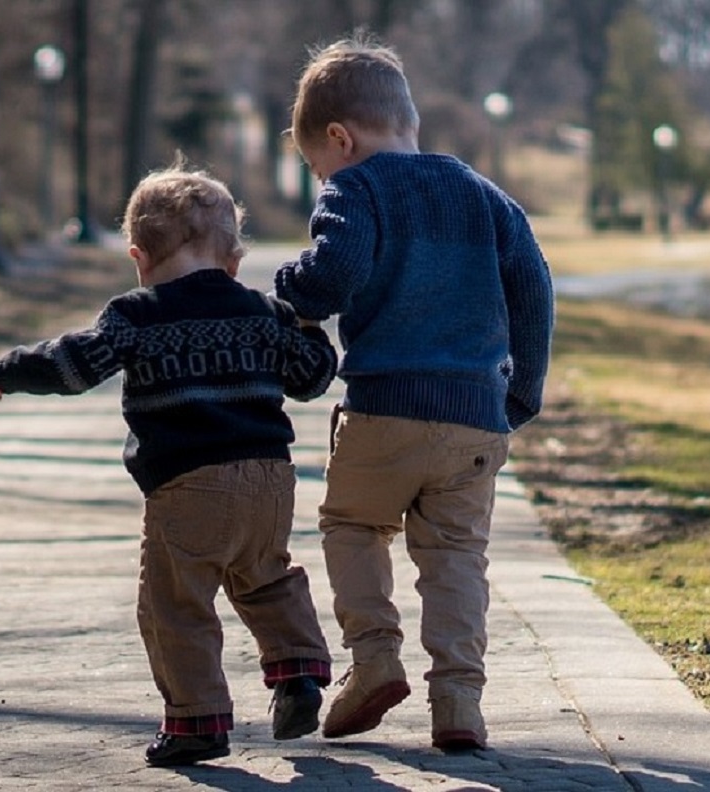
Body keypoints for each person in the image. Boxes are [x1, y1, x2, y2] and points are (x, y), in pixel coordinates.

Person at [0, 164, 337, 767]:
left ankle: (197, 720)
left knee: (175, 604)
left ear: (138, 256)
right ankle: (298, 673)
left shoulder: (136, 315)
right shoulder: (261, 311)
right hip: (270, 480)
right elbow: (311, 377)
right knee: (267, 577)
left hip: (189, 484)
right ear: (233, 258)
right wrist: (309, 325)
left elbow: (75, 365)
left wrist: (10, 370)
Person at [274, 35, 554, 752]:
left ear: (342, 139)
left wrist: (289, 287)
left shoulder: (356, 187)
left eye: (316, 166)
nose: (321, 177)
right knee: (458, 555)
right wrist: (522, 390)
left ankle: (373, 661)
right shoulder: (484, 195)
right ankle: (458, 700)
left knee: (352, 526)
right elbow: (534, 288)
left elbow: (332, 276)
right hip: (473, 417)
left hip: (385, 408)